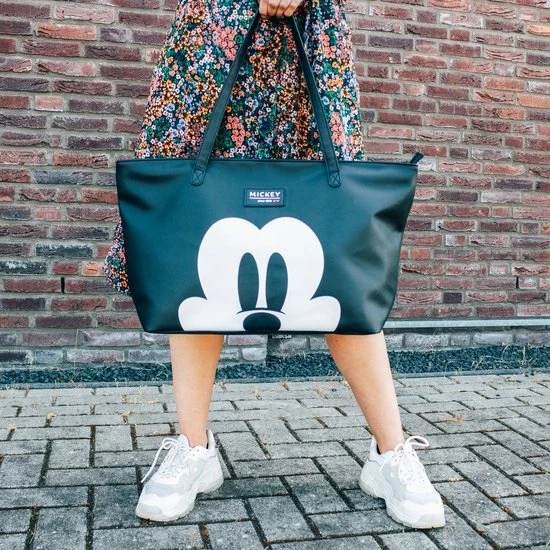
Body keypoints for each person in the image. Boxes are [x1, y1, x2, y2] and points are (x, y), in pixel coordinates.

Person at [103, 0, 445, 531]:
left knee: (338, 257)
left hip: (308, 40)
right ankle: (193, 448)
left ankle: (391, 453)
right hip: (212, 34)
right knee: (196, 254)